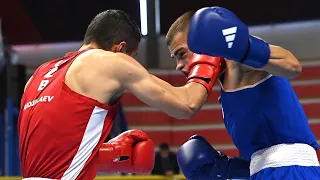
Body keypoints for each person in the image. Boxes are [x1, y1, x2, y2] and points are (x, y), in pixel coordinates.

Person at [18, 9, 225, 180]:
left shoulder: (37, 76)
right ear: (121, 48)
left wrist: (112, 153)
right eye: (133, 58)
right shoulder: (110, 61)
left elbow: (52, 155)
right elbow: (187, 104)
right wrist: (207, 56)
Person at [166, 7, 320, 180]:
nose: (178, 65)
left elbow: (292, 66)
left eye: (181, 54)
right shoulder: (225, 89)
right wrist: (228, 169)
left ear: (199, 40)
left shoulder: (239, 61)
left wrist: (246, 49)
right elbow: (261, 158)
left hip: (292, 172)